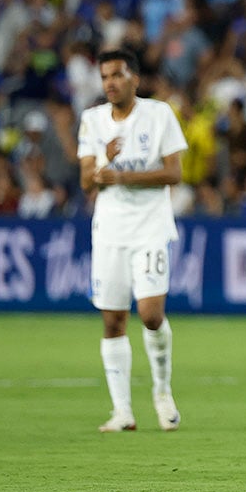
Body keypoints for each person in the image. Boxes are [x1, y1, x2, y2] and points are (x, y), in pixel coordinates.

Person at [77, 48, 188, 433]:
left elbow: (174, 172)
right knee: (112, 321)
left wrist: (121, 176)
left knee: (151, 315)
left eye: (117, 75)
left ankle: (162, 391)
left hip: (150, 228)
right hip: (109, 231)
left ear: (134, 78)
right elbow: (86, 180)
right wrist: (104, 162)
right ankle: (122, 411)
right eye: (105, 76)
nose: (110, 82)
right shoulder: (92, 121)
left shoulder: (159, 114)